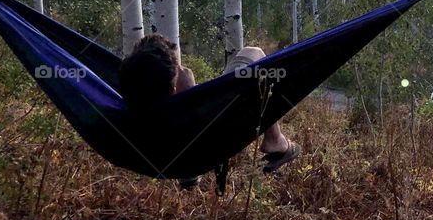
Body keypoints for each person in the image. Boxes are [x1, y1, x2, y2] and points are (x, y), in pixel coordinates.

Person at [117, 35, 300, 178]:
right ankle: (275, 141)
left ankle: (189, 178)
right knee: (254, 54)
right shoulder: (191, 109)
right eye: (179, 70)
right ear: (174, 90)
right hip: (215, 131)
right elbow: (201, 114)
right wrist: (191, 91)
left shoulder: (132, 103)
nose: (185, 70)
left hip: (177, 148)